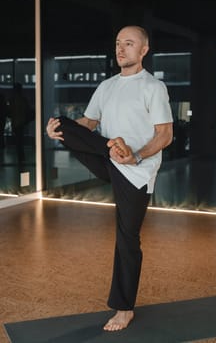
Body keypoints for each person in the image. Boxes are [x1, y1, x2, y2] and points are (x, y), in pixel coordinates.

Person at [46, 25, 173, 331]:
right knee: (63, 123)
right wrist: (58, 133)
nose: (121, 49)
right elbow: (87, 123)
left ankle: (124, 308)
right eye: (118, 43)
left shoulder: (152, 87)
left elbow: (165, 134)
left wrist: (136, 156)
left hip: (136, 171)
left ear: (143, 51)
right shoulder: (106, 86)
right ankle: (109, 144)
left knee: (127, 239)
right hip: (109, 158)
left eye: (128, 44)